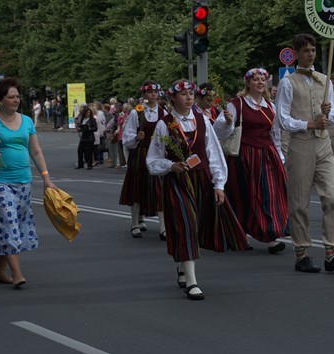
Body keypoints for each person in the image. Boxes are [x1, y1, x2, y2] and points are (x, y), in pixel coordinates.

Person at [147, 79, 249, 300]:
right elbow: (153, 158)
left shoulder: (202, 120)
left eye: (191, 93)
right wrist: (170, 165)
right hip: (177, 180)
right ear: (173, 98)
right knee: (186, 223)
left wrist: (219, 185)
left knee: (198, 224)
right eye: (183, 94)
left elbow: (214, 154)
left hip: (201, 179)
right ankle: (192, 281)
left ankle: (184, 267)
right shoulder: (164, 124)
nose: (189, 97)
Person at [276, 33, 334, 274]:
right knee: (299, 202)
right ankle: (301, 252)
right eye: (306, 50)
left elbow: (332, 117)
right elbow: (282, 119)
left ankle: (332, 252)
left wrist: (326, 116)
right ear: (296, 53)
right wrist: (309, 123)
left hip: (324, 145)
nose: (310, 54)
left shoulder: (326, 80)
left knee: (332, 196)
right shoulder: (289, 82)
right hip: (300, 145)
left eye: (313, 50)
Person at [0, 78, 57, 287]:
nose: (16, 100)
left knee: (12, 225)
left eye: (18, 96)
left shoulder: (27, 121)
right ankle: (17, 273)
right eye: (11, 97)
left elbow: (35, 151)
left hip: (23, 181)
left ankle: (0, 271)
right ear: (0, 100)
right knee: (9, 221)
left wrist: (46, 178)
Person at [223, 68, 289, 254]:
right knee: (245, 194)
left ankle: (271, 235)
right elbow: (221, 131)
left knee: (270, 193)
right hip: (245, 155)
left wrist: (279, 155)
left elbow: (275, 133)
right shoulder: (237, 104)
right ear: (247, 83)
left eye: (263, 79)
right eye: (255, 79)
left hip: (267, 154)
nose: (260, 82)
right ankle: (240, 233)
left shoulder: (270, 106)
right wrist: (228, 123)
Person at [119, 81, 166, 239]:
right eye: (150, 92)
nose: (154, 94)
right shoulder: (136, 112)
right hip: (141, 153)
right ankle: (135, 223)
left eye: (155, 91)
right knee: (137, 187)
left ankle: (163, 227)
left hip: (157, 154)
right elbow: (127, 137)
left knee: (159, 189)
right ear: (144, 94)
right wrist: (136, 137)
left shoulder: (163, 112)